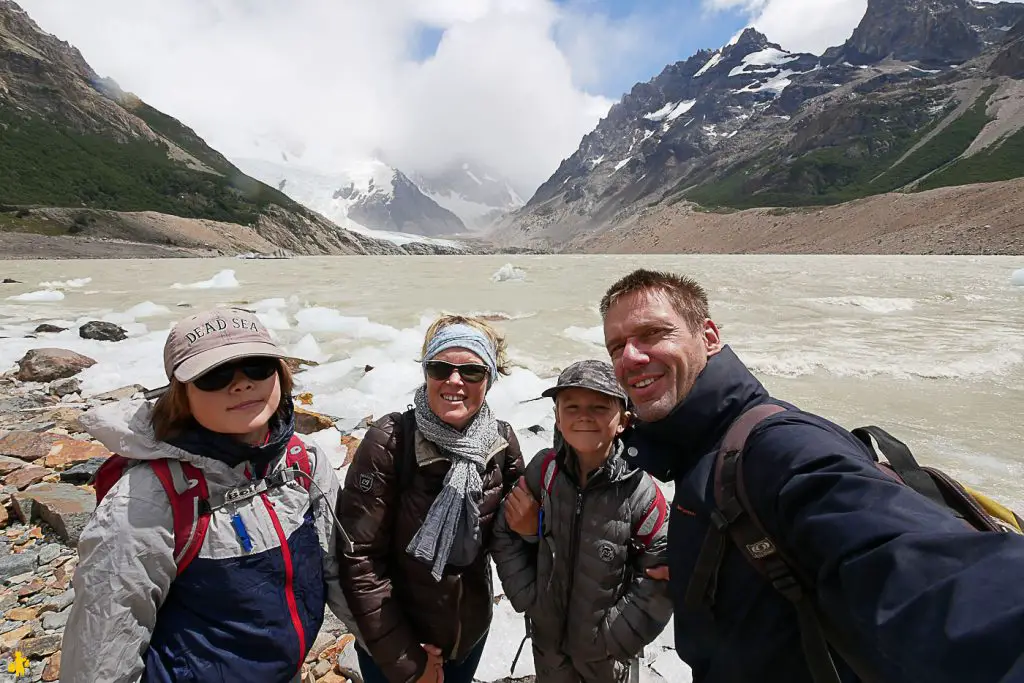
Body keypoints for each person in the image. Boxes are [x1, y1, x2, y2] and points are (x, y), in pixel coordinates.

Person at [599, 268, 1024, 683]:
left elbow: (926, 574)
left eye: (653, 334)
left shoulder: (782, 448)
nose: (631, 358)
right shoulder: (700, 450)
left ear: (709, 338)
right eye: (617, 347)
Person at [62, 307, 353, 682]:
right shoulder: (146, 501)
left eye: (258, 367)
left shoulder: (303, 461)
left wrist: (398, 658)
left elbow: (340, 574)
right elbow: (101, 653)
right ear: (180, 393)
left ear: (280, 374)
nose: (242, 384)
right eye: (215, 375)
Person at [337, 315, 525, 683]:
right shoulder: (390, 442)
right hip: (396, 642)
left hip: (467, 637)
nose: (454, 381)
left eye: (471, 371)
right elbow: (359, 559)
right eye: (441, 368)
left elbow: (513, 536)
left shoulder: (500, 442)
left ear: (489, 378)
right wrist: (408, 660)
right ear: (426, 372)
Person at [492, 359, 673, 683]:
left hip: (607, 658)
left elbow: (663, 570)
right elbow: (505, 531)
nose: (584, 415)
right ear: (558, 418)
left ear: (624, 421)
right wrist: (528, 597)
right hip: (547, 649)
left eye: (600, 406)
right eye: (571, 406)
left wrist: (616, 637)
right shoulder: (543, 471)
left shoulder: (640, 491)